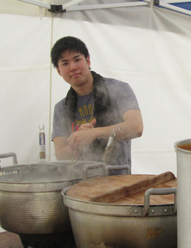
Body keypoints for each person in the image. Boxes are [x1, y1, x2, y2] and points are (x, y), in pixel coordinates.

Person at [51, 36, 143, 171]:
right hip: (79, 182)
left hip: (118, 181)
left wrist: (94, 133)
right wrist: (79, 141)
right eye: (65, 63)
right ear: (59, 71)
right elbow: (60, 154)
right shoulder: (61, 108)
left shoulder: (118, 89)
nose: (73, 67)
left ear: (88, 60)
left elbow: (136, 127)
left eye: (77, 60)